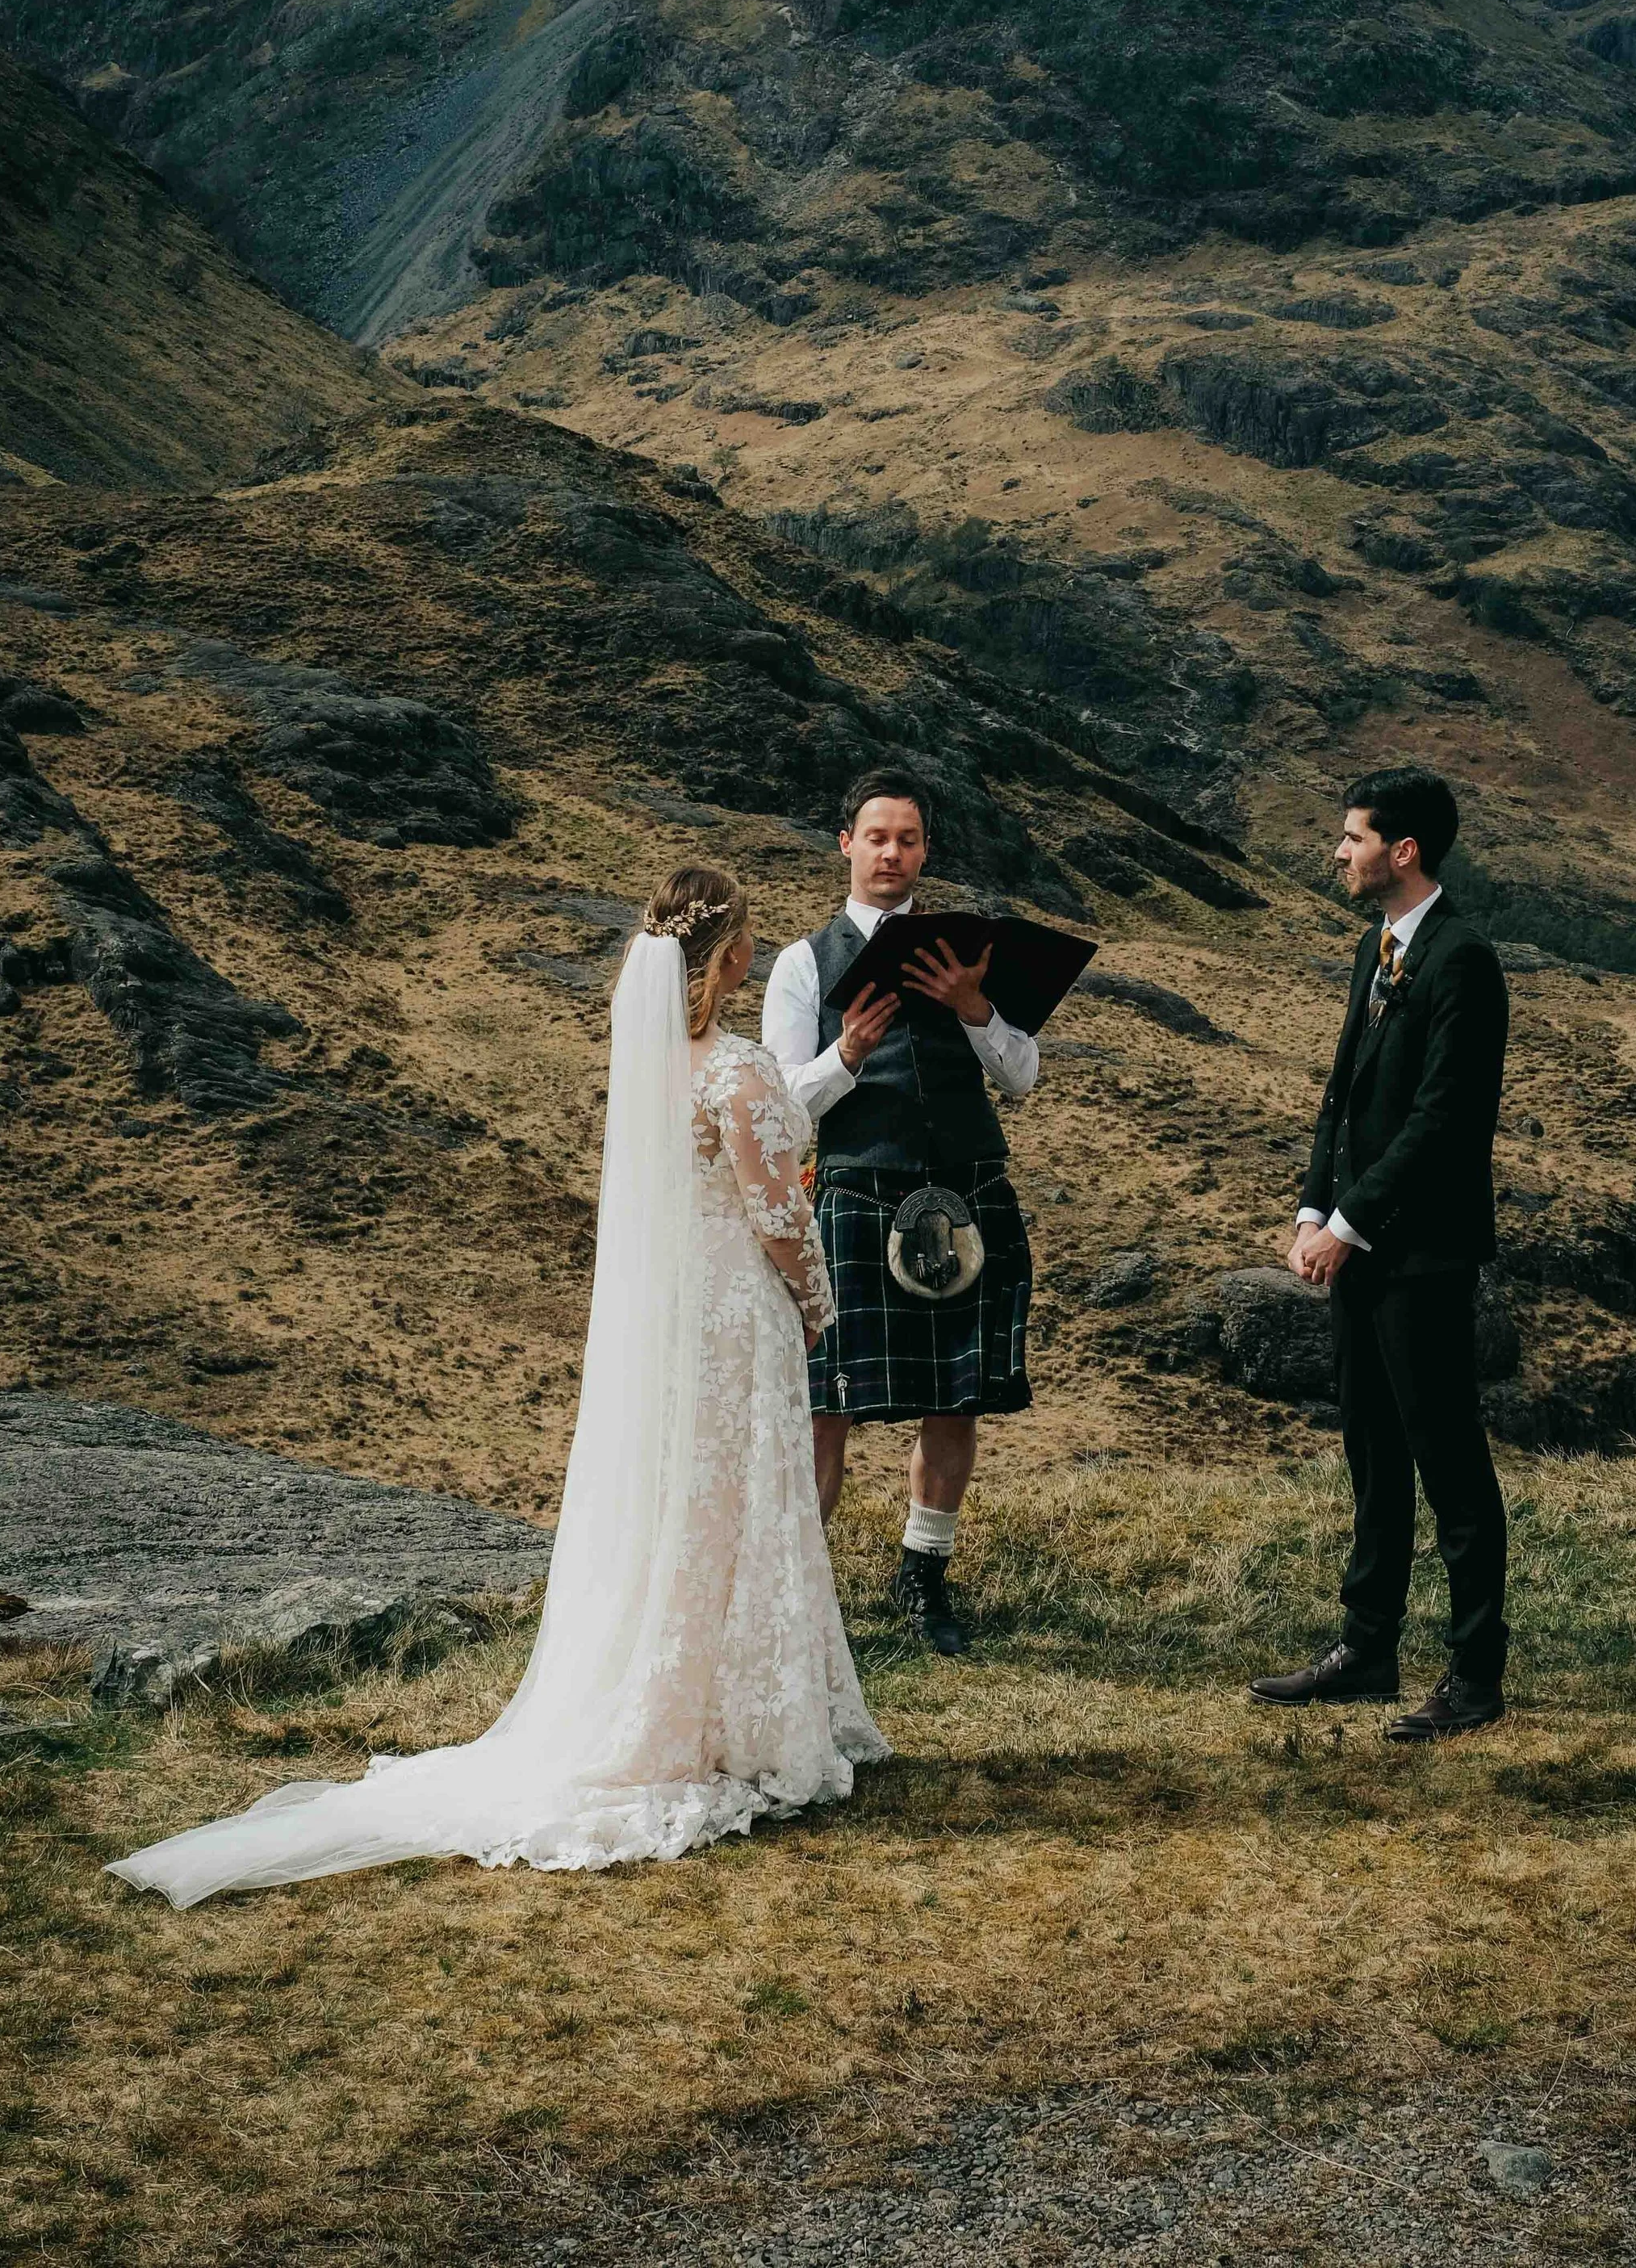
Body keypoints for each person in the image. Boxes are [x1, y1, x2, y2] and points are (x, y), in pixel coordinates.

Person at [106, 867, 887, 1906]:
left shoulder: (657, 1065)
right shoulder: (736, 1069)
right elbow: (776, 1212)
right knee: (735, 1503)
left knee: (689, 1510)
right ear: (735, 957)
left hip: (677, 1321)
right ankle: (735, 1718)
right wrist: (818, 1300)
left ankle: (696, 1702)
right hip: (735, 1319)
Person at [1252, 767, 1512, 1741]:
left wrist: (1348, 1224)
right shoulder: (1379, 948)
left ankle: (1475, 1675)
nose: (1337, 851)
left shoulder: (1461, 960)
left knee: (1448, 1460)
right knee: (1371, 1449)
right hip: (1359, 1249)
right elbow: (1343, 1095)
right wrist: (1312, 1205)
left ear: (1403, 851)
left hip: (1424, 1254)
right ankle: (1367, 1651)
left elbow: (1445, 1121)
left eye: (1351, 836)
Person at [762, 768, 1037, 1656]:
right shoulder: (805, 963)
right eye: (876, 837)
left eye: (908, 839)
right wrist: (845, 1054)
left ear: (926, 851)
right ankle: (799, 1596)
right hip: (851, 1195)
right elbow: (778, 1109)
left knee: (954, 1398)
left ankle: (924, 1579)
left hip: (968, 1193)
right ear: (845, 843)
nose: (892, 853)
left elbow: (1021, 1075)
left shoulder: (969, 954)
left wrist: (975, 1008)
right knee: (825, 1406)